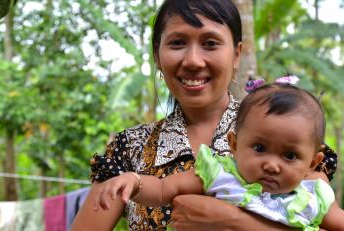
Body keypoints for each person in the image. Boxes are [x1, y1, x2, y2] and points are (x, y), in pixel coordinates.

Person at [71, 0, 339, 230]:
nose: (193, 60)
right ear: (157, 54)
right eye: (177, 43)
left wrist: (235, 221)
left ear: (236, 53)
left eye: (210, 43)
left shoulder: (287, 139)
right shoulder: (129, 148)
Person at [92, 82, 344, 230]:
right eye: (259, 148)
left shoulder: (313, 196)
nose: (271, 164)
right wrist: (133, 181)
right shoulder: (218, 174)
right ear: (233, 145)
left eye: (289, 155)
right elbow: (160, 190)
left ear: (312, 162)